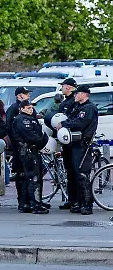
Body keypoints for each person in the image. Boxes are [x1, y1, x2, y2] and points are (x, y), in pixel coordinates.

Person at [61, 85, 100, 215]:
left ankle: (87, 204)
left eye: (77, 93)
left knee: (83, 174)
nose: (75, 95)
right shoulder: (78, 107)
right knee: (75, 173)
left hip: (83, 144)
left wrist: (64, 124)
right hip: (75, 143)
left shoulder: (89, 108)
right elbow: (71, 118)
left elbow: (79, 123)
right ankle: (78, 201)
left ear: (84, 94)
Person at [9, 99, 49, 214]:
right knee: (33, 178)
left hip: (33, 150)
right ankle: (34, 204)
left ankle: (26, 203)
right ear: (21, 109)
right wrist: (42, 140)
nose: (31, 110)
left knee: (31, 177)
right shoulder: (21, 120)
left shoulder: (31, 119)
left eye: (31, 108)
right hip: (28, 150)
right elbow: (31, 136)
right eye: (28, 108)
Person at [55, 78, 80, 211]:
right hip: (65, 140)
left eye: (63, 86)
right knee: (69, 171)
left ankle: (77, 200)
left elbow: (73, 120)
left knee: (75, 171)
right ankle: (71, 199)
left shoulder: (74, 102)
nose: (62, 88)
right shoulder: (64, 102)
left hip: (73, 141)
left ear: (69, 87)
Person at [5, 87, 32, 212]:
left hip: (30, 146)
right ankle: (22, 200)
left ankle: (31, 199)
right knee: (21, 173)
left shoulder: (29, 108)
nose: (28, 96)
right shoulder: (13, 109)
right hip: (19, 147)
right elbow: (9, 127)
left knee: (30, 174)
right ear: (19, 96)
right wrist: (17, 142)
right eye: (26, 94)